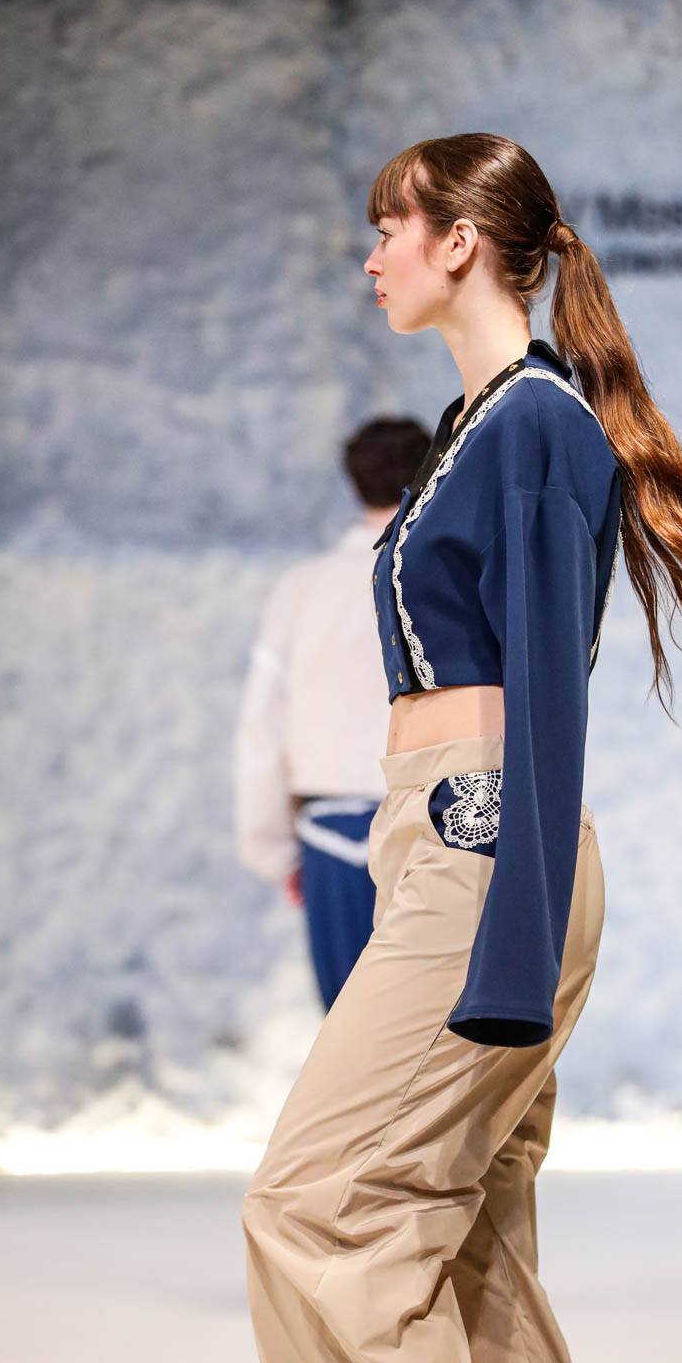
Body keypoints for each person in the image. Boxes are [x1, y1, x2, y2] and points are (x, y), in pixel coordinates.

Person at [241, 133, 682, 1363]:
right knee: (466, 1246)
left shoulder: (536, 426)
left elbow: (550, 693)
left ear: (461, 243)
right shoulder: (485, 425)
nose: (371, 257)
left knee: (313, 1207)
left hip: (487, 841)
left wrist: (514, 929)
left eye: (390, 226)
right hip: (449, 836)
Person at [232, 417, 430, 1013]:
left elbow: (261, 731)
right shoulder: (454, 579)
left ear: (353, 483)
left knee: (350, 1039)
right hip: (433, 827)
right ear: (430, 473)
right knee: (434, 1035)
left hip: (330, 835)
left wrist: (271, 851)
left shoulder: (300, 590)